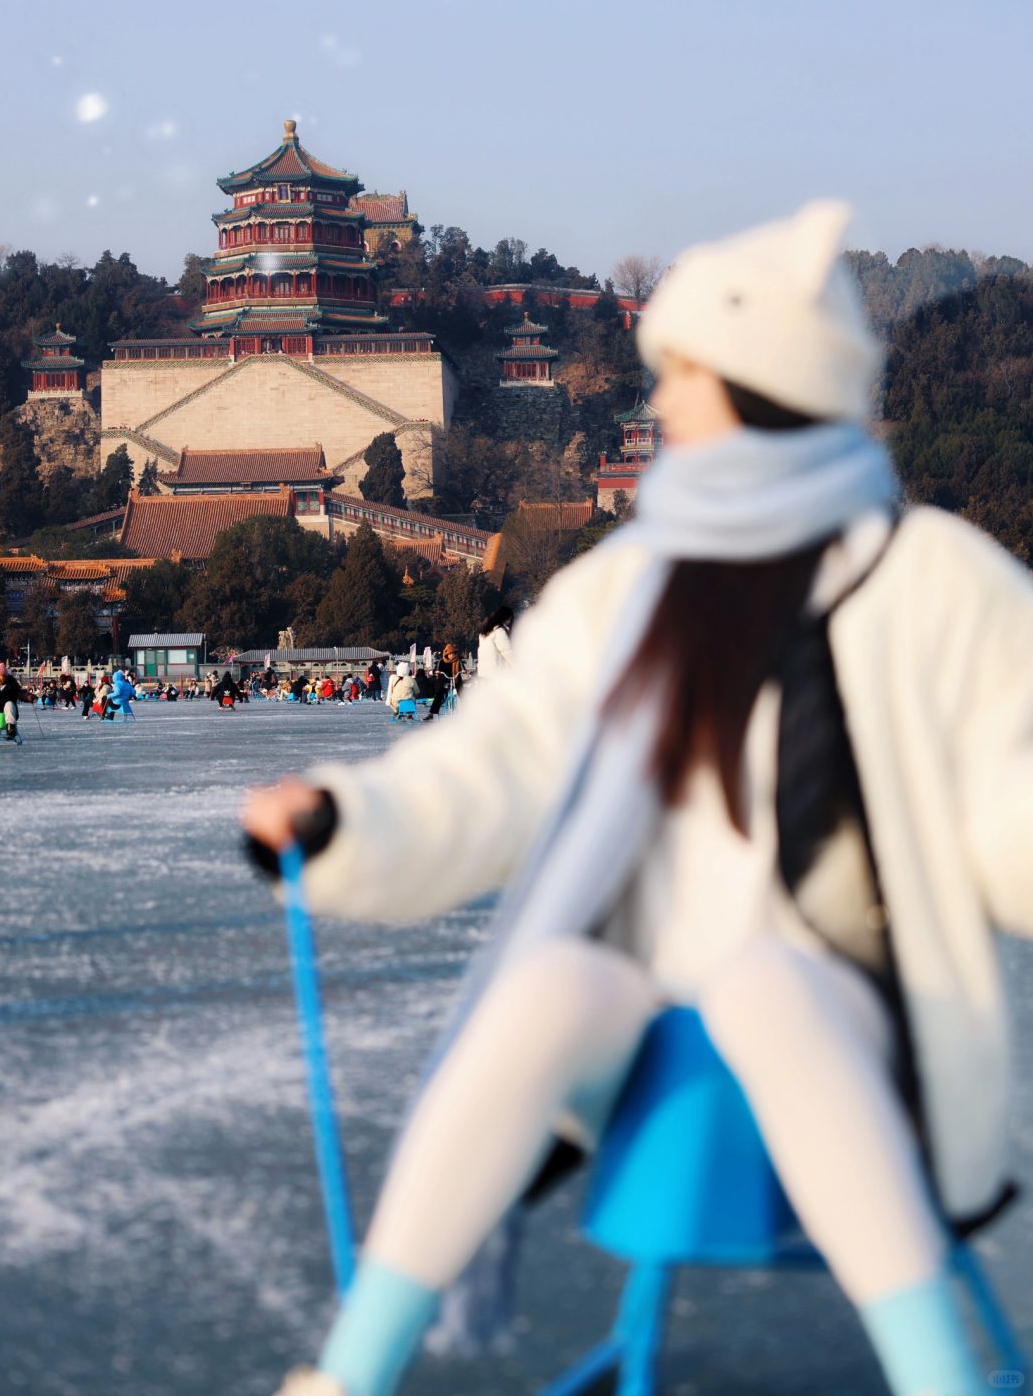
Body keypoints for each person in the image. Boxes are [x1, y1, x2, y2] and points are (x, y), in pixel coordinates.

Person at [242, 202, 1033, 1396]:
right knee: (544, 983)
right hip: (648, 991)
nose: (657, 408)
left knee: (770, 982)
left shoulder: (937, 579)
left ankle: (943, 1380)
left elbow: (1007, 798)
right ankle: (351, 1376)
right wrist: (349, 820)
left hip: (858, 1001)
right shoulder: (629, 585)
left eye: (682, 378)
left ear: (763, 383)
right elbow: (497, 763)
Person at [425, 642, 463, 719]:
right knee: (439, 694)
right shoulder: (442, 661)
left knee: (463, 693)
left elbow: (462, 668)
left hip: (455, 679)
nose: (451, 655)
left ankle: (469, 710)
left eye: (453, 653)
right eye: (450, 654)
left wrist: (463, 671)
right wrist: (437, 671)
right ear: (446, 654)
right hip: (445, 680)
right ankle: (432, 713)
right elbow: (437, 669)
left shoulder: (458, 661)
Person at [476, 604, 514, 678]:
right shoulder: (499, 631)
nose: (509, 622)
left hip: (483, 673)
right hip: (495, 673)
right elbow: (507, 651)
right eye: (510, 619)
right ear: (506, 618)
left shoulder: (484, 633)